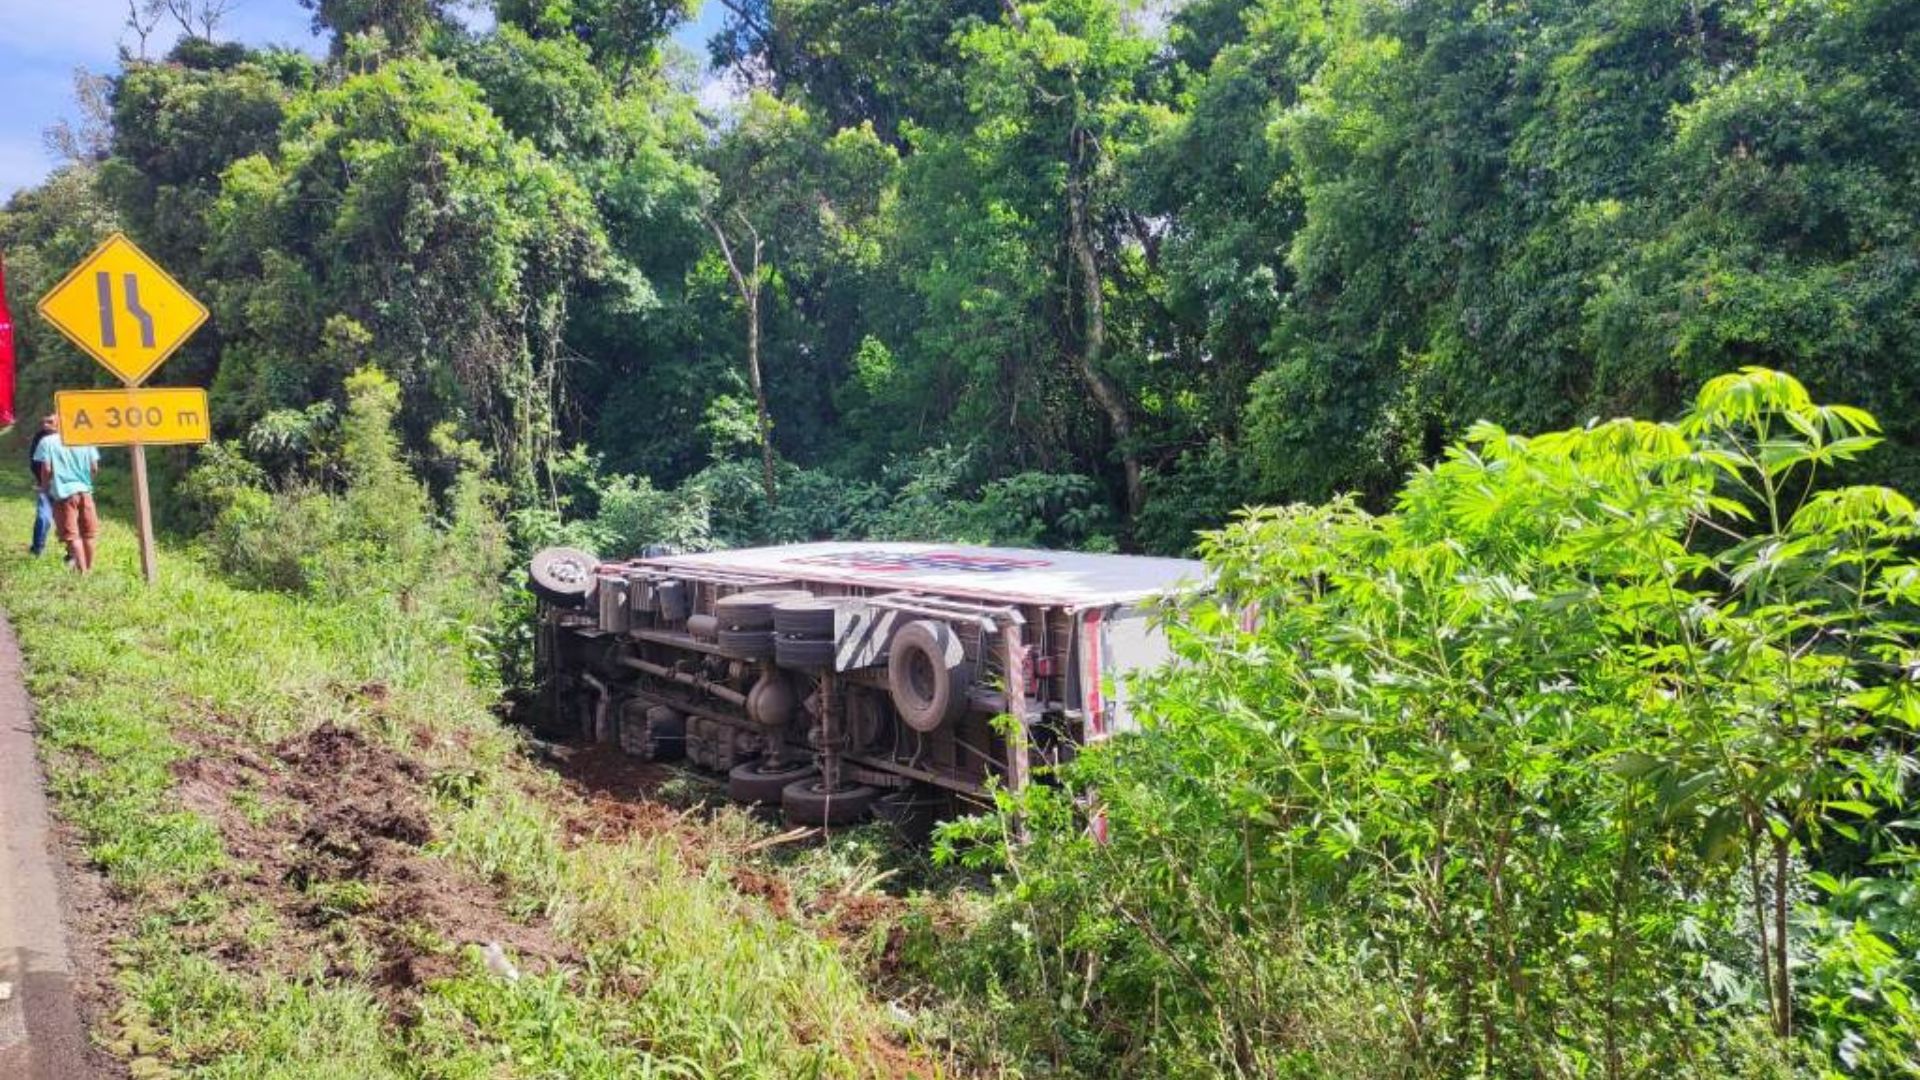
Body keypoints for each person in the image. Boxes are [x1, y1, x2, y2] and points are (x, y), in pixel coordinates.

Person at [32, 417, 100, 573]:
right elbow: (94, 468)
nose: (45, 424)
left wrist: (44, 487)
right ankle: (88, 570)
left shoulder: (47, 442)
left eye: (50, 422)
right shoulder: (84, 439)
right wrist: (85, 482)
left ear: (58, 425)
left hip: (63, 494)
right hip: (85, 491)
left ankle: (82, 573)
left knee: (72, 536)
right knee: (88, 534)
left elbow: (47, 469)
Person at [26, 414, 54, 556]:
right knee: (43, 516)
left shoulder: (70, 438)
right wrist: (42, 482)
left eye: (49, 422)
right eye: (43, 422)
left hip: (67, 485)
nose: (45, 425)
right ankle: (38, 548)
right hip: (46, 483)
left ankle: (72, 555)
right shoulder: (40, 438)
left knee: (69, 520)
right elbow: (34, 462)